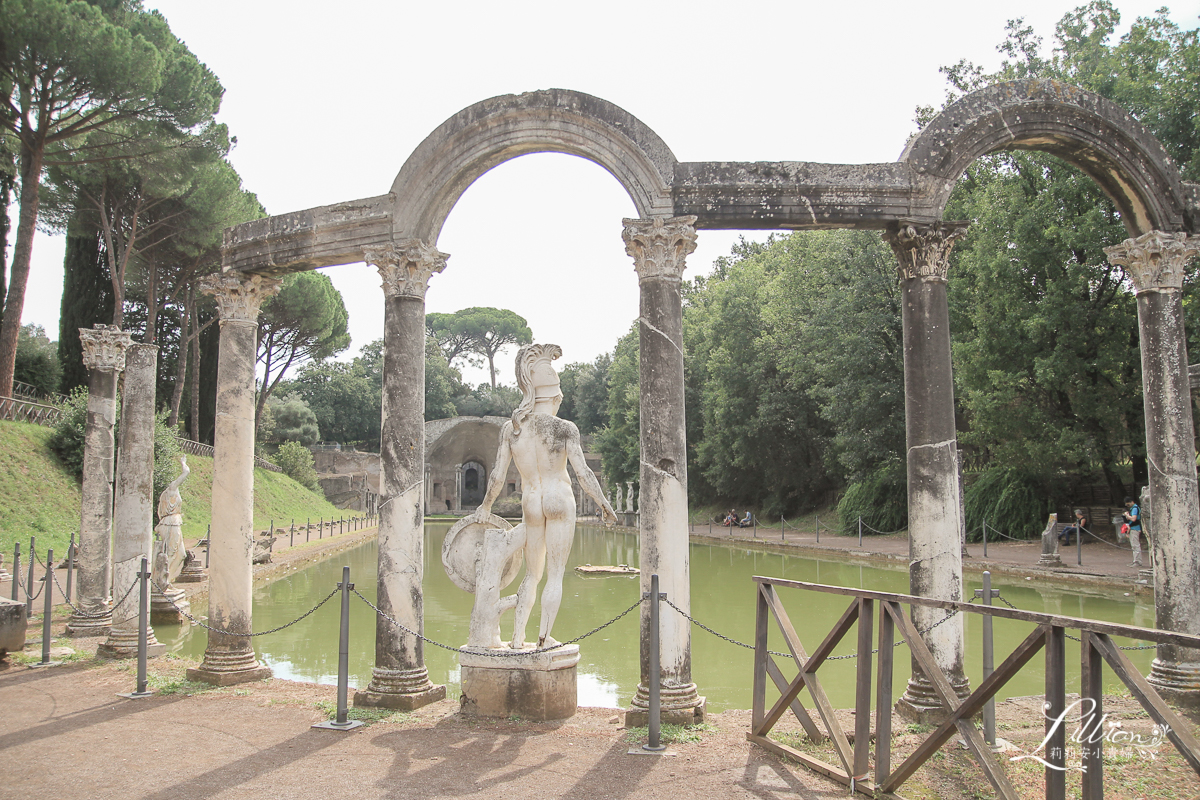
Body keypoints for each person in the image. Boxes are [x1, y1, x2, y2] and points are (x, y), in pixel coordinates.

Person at [468, 344, 617, 649]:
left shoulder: (512, 430)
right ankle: (544, 637)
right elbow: (584, 474)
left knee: (532, 574)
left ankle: (518, 637)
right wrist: (604, 505)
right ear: (555, 395)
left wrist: (485, 507)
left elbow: (497, 476)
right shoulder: (564, 428)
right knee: (556, 575)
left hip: (531, 501)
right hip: (559, 499)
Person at [1123, 496, 1143, 567]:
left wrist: (1127, 516)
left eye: (1128, 504)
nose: (1127, 505)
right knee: (1134, 545)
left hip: (1135, 528)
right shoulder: (1133, 508)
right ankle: (1135, 560)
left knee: (1135, 545)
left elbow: (1134, 519)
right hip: (1133, 528)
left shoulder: (1135, 508)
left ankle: (1138, 561)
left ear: (1132, 502)